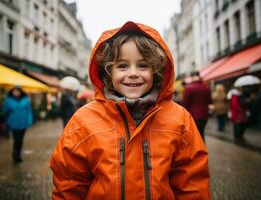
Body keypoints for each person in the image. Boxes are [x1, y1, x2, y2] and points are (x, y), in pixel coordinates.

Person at [50, 21, 210, 199]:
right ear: (108, 72)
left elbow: (192, 184)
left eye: (143, 65)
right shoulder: (83, 121)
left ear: (156, 70)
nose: (133, 73)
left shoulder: (179, 119)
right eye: (122, 66)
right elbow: (69, 184)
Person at [2, 86, 33, 163]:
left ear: (20, 92)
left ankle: (18, 153)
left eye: (18, 91)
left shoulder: (26, 100)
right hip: (13, 123)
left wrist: (29, 121)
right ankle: (15, 155)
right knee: (16, 139)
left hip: (23, 123)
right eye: (15, 91)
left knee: (20, 140)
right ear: (12, 92)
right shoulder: (8, 100)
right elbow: (4, 111)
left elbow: (29, 112)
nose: (16, 93)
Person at [182, 71, 211, 140]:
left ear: (192, 77)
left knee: (195, 136)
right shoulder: (207, 87)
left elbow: (185, 103)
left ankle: (197, 149)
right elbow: (209, 101)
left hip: (193, 115)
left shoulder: (188, 88)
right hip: (204, 115)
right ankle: (203, 148)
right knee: (201, 133)